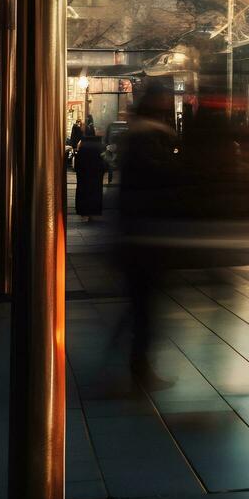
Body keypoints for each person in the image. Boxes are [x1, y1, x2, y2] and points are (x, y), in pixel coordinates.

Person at [117, 82, 180, 387]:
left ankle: (136, 362)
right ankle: (139, 366)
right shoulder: (151, 137)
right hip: (147, 232)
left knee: (141, 304)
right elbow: (159, 177)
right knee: (145, 306)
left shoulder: (138, 134)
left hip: (137, 231)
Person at [75, 124, 108, 221]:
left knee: (83, 193)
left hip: (84, 175)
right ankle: (93, 212)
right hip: (95, 175)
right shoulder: (99, 145)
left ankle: (84, 212)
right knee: (95, 192)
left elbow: (78, 161)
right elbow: (103, 161)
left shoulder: (82, 144)